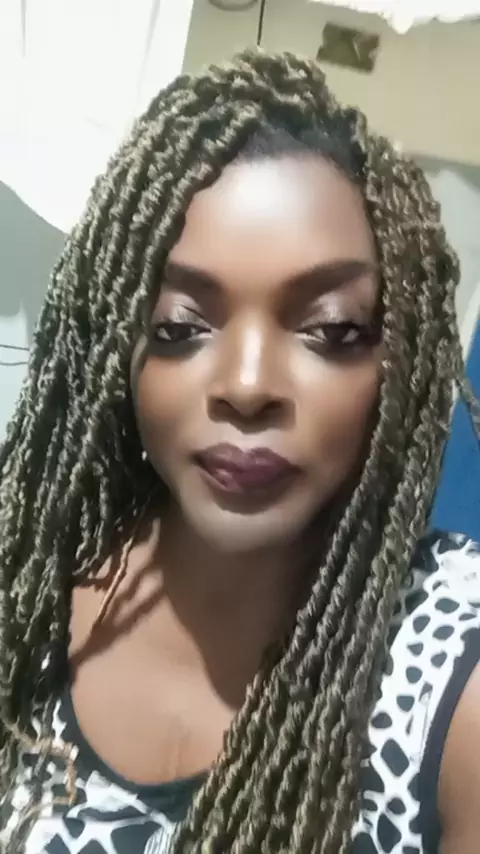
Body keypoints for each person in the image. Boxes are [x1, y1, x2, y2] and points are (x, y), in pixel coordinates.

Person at [0, 49, 479, 854]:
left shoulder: (454, 680)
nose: (248, 386)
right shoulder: (28, 570)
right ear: (118, 346)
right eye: (180, 327)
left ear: (400, 361)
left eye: (332, 330)